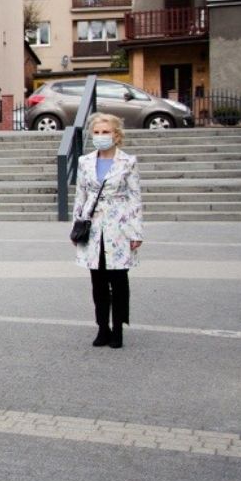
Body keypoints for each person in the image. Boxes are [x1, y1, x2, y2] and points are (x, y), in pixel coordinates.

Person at [73, 112, 143, 349]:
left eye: (106, 132)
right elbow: (80, 195)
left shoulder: (128, 162)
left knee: (119, 280)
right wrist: (77, 226)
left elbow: (134, 198)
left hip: (119, 227)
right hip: (93, 228)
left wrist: (136, 232)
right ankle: (102, 327)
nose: (101, 136)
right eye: (97, 132)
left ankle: (118, 328)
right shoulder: (85, 162)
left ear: (116, 135)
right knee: (98, 281)